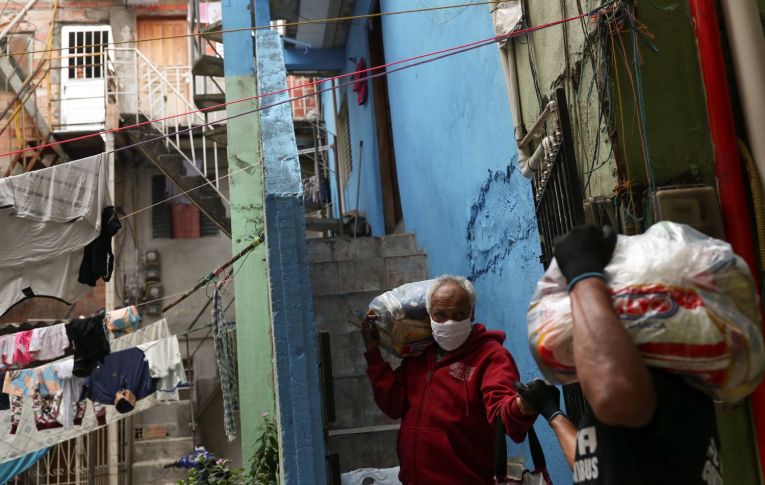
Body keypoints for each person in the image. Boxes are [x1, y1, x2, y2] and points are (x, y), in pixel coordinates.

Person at [516, 225, 723, 485]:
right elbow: (592, 464)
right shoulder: (642, 410)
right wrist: (552, 413)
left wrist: (583, 275)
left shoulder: (660, 387)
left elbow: (611, 392)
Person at [361, 275, 537, 484]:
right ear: (429, 316)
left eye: (459, 314)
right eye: (440, 315)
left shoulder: (490, 356)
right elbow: (392, 405)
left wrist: (521, 407)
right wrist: (373, 354)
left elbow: (501, 410)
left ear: (472, 314)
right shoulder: (419, 358)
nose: (449, 322)